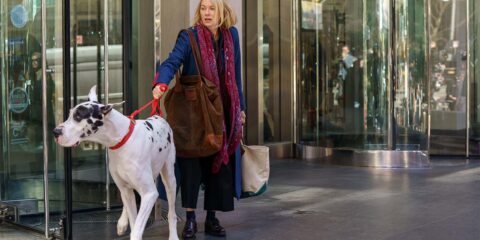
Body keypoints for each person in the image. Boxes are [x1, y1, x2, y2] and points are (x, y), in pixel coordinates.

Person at [152, 0, 246, 239]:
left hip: (222, 112)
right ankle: (191, 218)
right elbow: (172, 62)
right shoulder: (189, 36)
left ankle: (212, 218)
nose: (206, 13)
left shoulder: (231, 36)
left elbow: (236, 77)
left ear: (222, 11)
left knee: (218, 164)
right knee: (191, 165)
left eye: (211, 8)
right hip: (194, 113)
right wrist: (161, 82)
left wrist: (241, 109)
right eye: (203, 8)